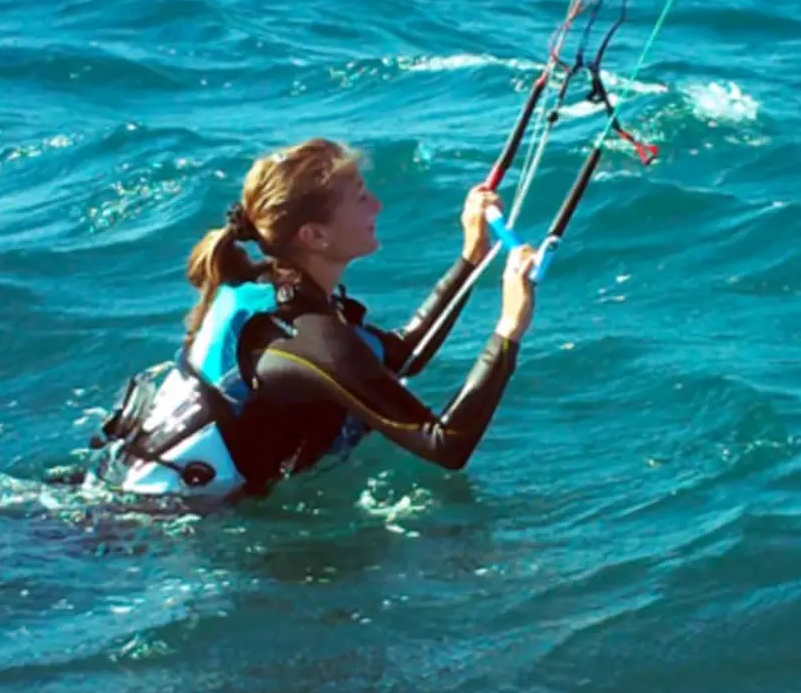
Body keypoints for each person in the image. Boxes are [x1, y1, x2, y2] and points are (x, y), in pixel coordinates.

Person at [89, 137, 538, 504]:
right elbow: (445, 444)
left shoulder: (279, 289)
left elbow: (397, 355)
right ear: (315, 235)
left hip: (124, 497)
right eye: (361, 198)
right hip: (150, 529)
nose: (378, 206)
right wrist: (509, 328)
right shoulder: (307, 335)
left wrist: (471, 257)